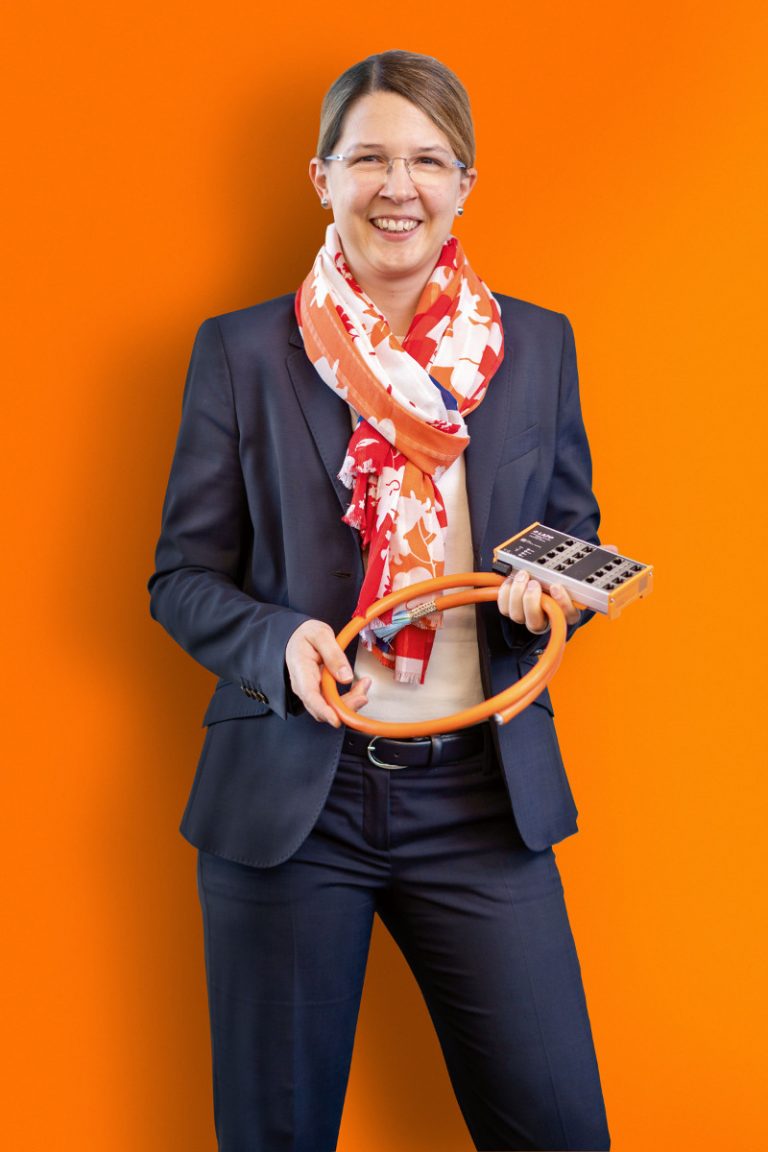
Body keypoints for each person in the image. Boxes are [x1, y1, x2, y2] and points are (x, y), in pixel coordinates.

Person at [148, 49, 611, 1152]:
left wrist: (557, 592)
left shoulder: (539, 347)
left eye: (425, 159)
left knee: (559, 1128)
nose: (397, 185)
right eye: (368, 158)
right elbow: (181, 578)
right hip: (295, 810)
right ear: (323, 178)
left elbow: (575, 532)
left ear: (463, 182)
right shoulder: (242, 352)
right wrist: (281, 641)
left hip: (481, 800)